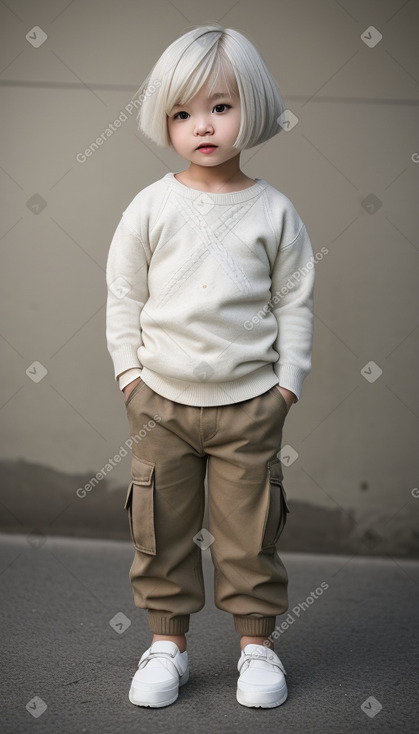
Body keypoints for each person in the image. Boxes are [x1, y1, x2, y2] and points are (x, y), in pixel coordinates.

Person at [105, 23, 315, 710]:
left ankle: (257, 649)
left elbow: (295, 301)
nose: (202, 125)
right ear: (162, 120)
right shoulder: (150, 206)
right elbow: (124, 296)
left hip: (250, 403)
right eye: (182, 112)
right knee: (159, 530)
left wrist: (286, 385)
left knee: (250, 532)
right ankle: (166, 645)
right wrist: (129, 378)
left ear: (249, 107)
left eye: (219, 107)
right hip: (158, 403)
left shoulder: (275, 211)